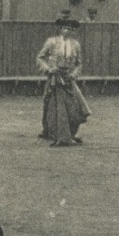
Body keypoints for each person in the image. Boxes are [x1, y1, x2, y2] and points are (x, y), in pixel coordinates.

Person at [36, 13, 91, 146]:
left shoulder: (75, 44)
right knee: (56, 106)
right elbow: (40, 57)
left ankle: (70, 133)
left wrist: (74, 74)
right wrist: (49, 69)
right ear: (60, 28)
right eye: (65, 27)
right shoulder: (52, 42)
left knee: (75, 106)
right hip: (55, 77)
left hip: (68, 77)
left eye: (70, 28)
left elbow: (79, 63)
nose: (67, 30)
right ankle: (59, 134)